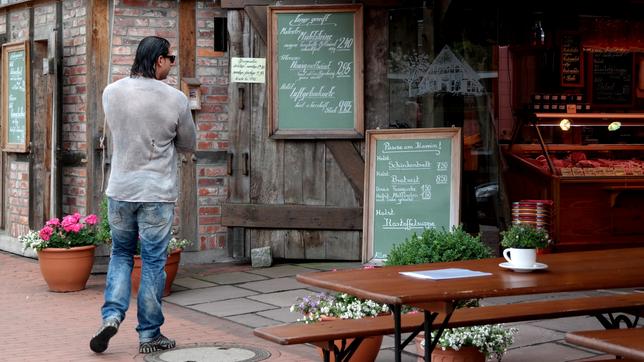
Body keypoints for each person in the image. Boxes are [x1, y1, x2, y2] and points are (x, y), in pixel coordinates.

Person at [90, 36, 196, 354]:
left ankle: (111, 316)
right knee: (152, 262)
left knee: (121, 255)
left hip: (120, 189)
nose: (172, 65)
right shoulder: (175, 99)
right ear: (159, 60)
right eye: (171, 59)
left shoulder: (111, 92)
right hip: (157, 193)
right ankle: (149, 334)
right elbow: (188, 143)